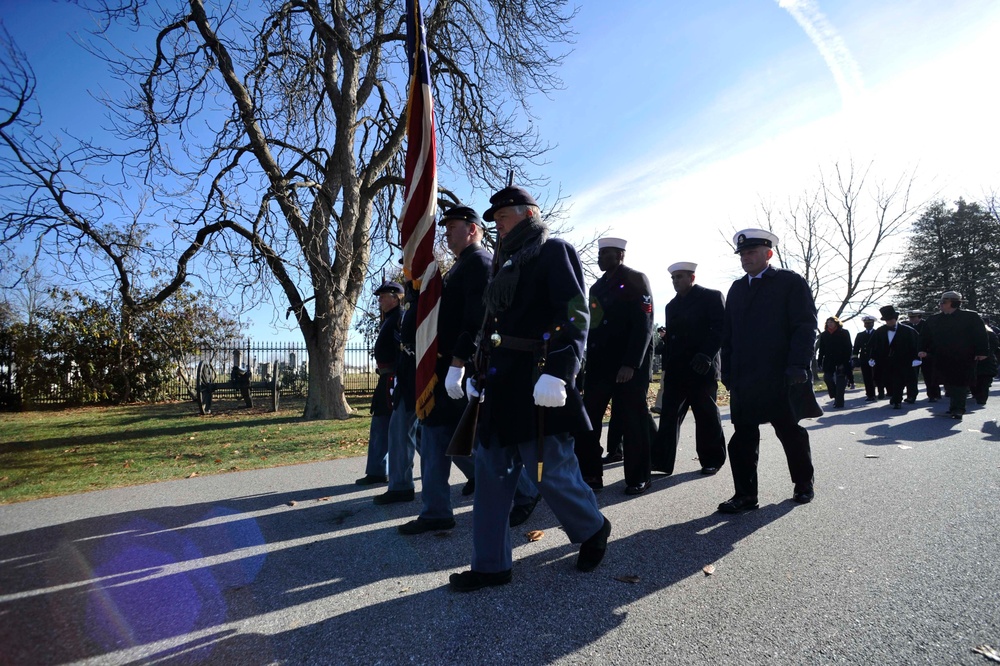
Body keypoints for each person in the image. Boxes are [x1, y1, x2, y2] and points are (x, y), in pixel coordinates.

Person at [449, 186, 610, 592]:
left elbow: (576, 313)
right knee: (490, 481)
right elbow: (489, 328)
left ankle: (593, 529)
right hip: (498, 386)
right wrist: (474, 372)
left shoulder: (553, 251)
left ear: (526, 214)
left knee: (552, 474)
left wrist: (560, 370)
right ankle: (490, 566)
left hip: (537, 382)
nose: (497, 226)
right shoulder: (501, 266)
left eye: (502, 218)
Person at [396, 205, 485, 535]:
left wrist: (458, 364)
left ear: (472, 230)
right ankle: (435, 511)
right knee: (433, 438)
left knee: (479, 443)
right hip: (443, 369)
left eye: (452, 226)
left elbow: (476, 320)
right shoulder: (460, 266)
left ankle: (523, 494)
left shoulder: (480, 262)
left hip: (461, 371)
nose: (445, 232)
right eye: (444, 226)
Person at [718, 228, 818, 514]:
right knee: (743, 437)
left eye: (752, 252)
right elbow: (728, 334)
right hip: (745, 377)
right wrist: (727, 370)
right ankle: (746, 495)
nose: (746, 258)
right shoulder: (737, 289)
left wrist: (799, 364)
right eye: (743, 254)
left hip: (780, 374)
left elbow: (805, 325)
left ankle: (803, 484)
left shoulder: (789, 282)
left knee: (789, 431)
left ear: (768, 254)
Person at [576, 237, 655, 495]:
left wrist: (631, 364)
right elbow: (593, 326)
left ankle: (638, 477)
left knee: (633, 420)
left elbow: (643, 325)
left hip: (628, 367)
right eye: (599, 254)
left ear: (620, 255)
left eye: (605, 254)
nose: (599, 259)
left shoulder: (636, 279)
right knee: (588, 420)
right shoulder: (596, 288)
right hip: (600, 366)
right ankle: (591, 475)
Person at [650, 261, 726, 475]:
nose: (675, 281)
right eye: (673, 278)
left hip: (702, 367)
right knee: (669, 416)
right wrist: (666, 367)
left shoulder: (711, 297)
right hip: (677, 369)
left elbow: (721, 328)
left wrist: (707, 355)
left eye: (680, 276)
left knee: (706, 415)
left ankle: (712, 459)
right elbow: (673, 340)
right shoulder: (671, 306)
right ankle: (661, 461)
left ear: (692, 277)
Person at [356, 281, 404, 485]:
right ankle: (377, 470)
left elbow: (403, 349)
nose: (379, 300)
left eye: (383, 296)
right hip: (387, 378)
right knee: (381, 423)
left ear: (396, 297)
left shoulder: (400, 318)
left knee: (413, 431)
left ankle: (471, 470)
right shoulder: (389, 319)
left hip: (395, 378)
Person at [919, 291, 989, 420]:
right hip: (942, 356)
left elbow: (980, 335)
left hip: (964, 356)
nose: (940, 305)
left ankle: (958, 409)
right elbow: (925, 337)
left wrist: (982, 352)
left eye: (943, 302)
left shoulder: (970, 317)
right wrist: (922, 350)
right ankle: (953, 406)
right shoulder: (934, 319)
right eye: (940, 302)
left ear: (953, 303)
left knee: (960, 383)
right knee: (949, 383)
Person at [867, 306, 921, 409]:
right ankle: (894, 396)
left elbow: (916, 345)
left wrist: (916, 358)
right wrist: (872, 358)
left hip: (902, 361)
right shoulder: (880, 331)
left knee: (899, 380)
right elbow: (873, 346)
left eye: (891, 319)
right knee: (888, 380)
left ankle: (897, 401)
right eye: (887, 320)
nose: (889, 322)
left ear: (895, 319)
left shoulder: (908, 331)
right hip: (885, 361)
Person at [816, 316, 853, 408]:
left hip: (842, 360)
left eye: (831, 322)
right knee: (827, 378)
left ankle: (839, 402)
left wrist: (846, 360)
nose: (830, 324)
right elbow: (822, 350)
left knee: (840, 381)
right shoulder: (824, 335)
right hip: (829, 361)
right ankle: (835, 395)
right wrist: (819, 361)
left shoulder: (844, 332)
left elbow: (848, 347)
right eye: (828, 322)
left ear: (836, 323)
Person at [906, 310, 938, 402]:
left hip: (925, 353)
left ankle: (933, 395)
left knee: (929, 376)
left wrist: (927, 352)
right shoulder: (908, 327)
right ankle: (911, 396)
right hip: (913, 355)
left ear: (919, 317)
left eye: (913, 317)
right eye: (910, 317)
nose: (911, 319)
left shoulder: (926, 325)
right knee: (911, 377)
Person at [973, 318, 999, 405]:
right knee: (983, 381)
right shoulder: (991, 333)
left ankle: (980, 397)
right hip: (985, 360)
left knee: (981, 380)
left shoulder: (989, 334)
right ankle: (981, 397)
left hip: (980, 360)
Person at [852, 315, 878, 401]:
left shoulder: (877, 333)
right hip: (864, 358)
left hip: (875, 358)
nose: (867, 325)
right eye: (866, 323)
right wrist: (855, 358)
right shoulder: (860, 335)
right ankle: (870, 394)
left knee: (877, 376)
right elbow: (856, 348)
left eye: (869, 323)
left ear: (873, 323)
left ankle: (880, 392)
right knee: (867, 377)